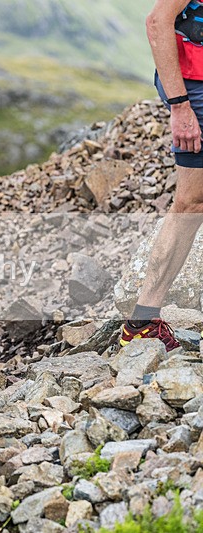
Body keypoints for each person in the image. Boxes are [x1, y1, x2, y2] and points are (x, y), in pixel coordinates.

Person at [120, 0, 203, 351]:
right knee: (192, 201)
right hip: (196, 88)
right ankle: (141, 322)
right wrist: (180, 107)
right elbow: (157, 22)